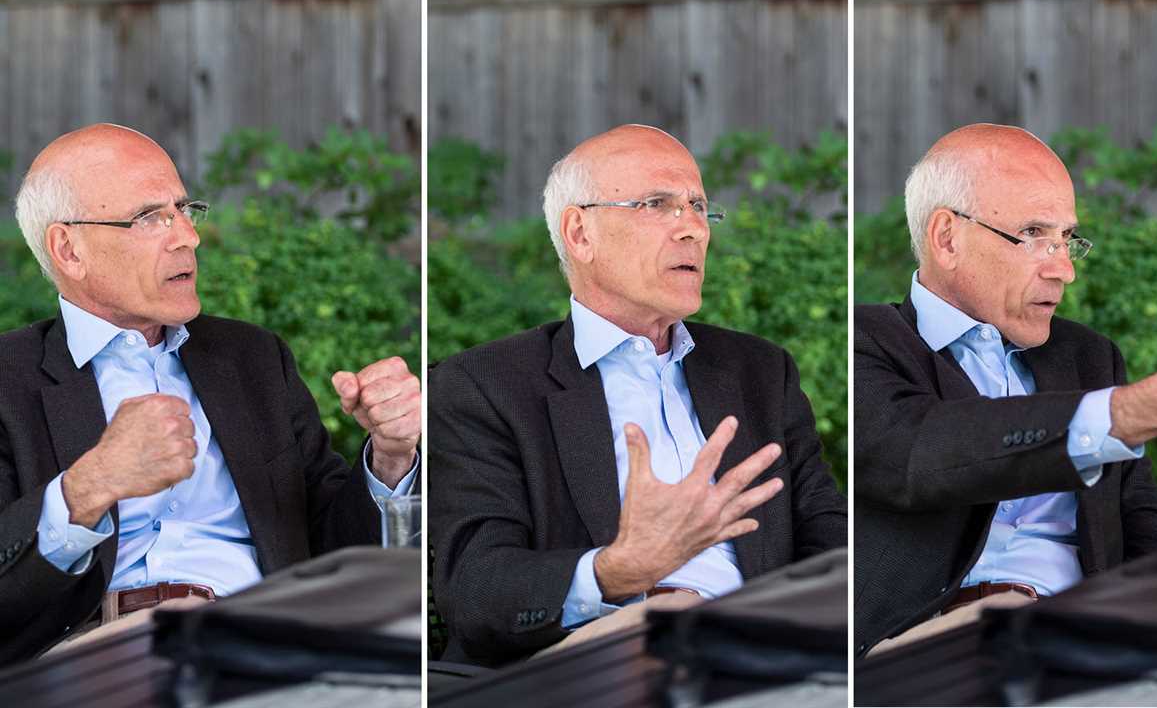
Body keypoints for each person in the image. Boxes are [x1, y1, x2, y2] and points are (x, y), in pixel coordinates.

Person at [853, 123, 1157, 659]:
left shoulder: (1089, 356)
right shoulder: (865, 342)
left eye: (1067, 239)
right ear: (947, 238)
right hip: (931, 644)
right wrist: (1149, 407)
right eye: (1033, 234)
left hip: (1089, 635)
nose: (1062, 271)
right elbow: (923, 453)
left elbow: (1141, 518)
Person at [0, 124, 421, 665]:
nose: (188, 237)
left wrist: (389, 454)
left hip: (271, 641)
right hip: (97, 655)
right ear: (69, 249)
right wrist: (90, 485)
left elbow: (338, 546)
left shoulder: (252, 359)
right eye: (150, 217)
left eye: (183, 209)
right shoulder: (11, 380)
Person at [428, 124, 847, 666]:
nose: (693, 228)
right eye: (657, 204)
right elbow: (477, 590)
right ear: (580, 233)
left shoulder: (760, 372)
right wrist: (616, 570)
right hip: (596, 669)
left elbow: (830, 545)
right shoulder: (485, 386)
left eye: (698, 206)